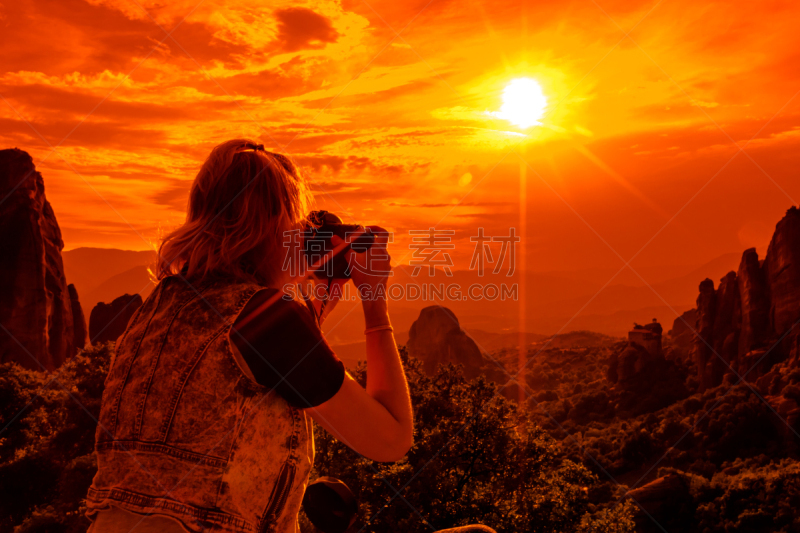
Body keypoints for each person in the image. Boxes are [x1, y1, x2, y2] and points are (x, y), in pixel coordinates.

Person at [84, 139, 494, 533]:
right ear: (272, 226)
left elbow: (253, 382)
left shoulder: (157, 307)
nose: (302, 238)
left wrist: (316, 307)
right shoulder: (265, 318)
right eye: (296, 225)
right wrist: (373, 300)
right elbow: (391, 440)